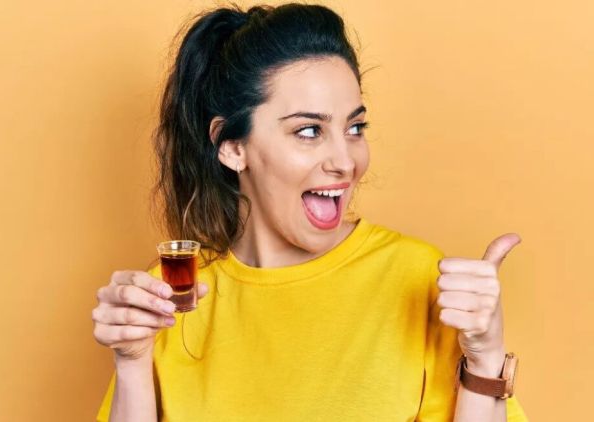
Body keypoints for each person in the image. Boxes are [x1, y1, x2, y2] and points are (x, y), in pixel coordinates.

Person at [92, 3, 529, 421]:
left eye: (354, 127)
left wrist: (485, 356)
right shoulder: (171, 294)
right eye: (308, 131)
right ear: (233, 146)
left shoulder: (417, 278)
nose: (345, 160)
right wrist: (131, 362)